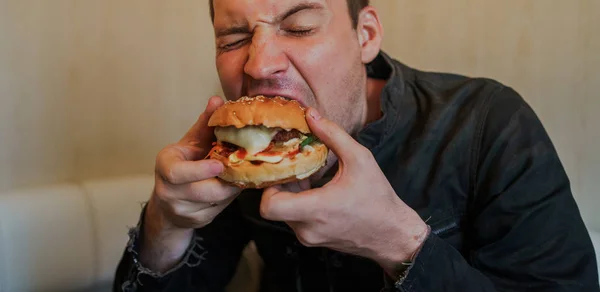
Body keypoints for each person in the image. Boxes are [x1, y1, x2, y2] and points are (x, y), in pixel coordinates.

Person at [113, 0, 600, 291]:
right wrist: (165, 224)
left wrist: (400, 244)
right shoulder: (242, 153)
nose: (260, 66)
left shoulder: (488, 124)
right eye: (233, 37)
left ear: (365, 36)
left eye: (299, 26)